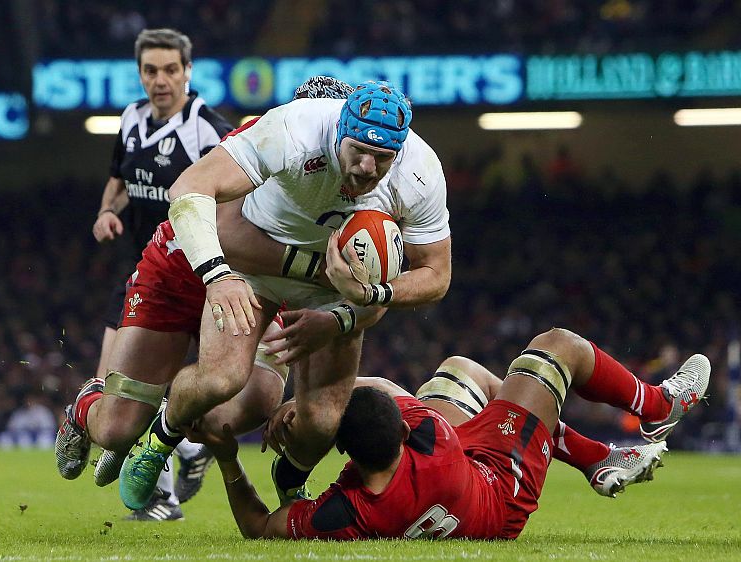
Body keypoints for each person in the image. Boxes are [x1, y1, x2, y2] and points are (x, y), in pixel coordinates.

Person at [118, 79, 452, 511]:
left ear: (400, 151)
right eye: (358, 151)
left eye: (383, 157)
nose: (368, 168)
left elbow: (436, 275)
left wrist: (368, 295)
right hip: (259, 264)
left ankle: (290, 477)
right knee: (221, 379)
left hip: (331, 291)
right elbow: (189, 186)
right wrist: (218, 275)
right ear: (339, 130)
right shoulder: (295, 128)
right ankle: (161, 438)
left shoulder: (420, 171)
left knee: (323, 421)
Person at [54, 76, 366, 512]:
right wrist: (317, 270)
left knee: (249, 403)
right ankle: (88, 406)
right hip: (182, 271)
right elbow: (227, 234)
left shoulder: (354, 172)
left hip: (258, 283)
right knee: (116, 429)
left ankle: (172, 428)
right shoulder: (268, 141)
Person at [203, 328, 711, 539]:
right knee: (555, 351)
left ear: (347, 454)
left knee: (456, 371)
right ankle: (656, 407)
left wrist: (228, 458)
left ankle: (597, 458)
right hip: (501, 487)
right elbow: (384, 387)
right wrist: (307, 400)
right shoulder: (434, 436)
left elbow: (258, 526)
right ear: (405, 429)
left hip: (451, 484)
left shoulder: (347, 511)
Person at [56, 28, 234, 521]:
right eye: (151, 70)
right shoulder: (131, 119)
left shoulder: (208, 130)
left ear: (188, 72)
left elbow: (236, 197)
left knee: (180, 388)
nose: (161, 80)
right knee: (117, 384)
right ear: (139, 74)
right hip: (142, 271)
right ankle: (173, 474)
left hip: (200, 275)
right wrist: (105, 212)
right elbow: (120, 180)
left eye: (171, 70)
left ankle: (177, 466)